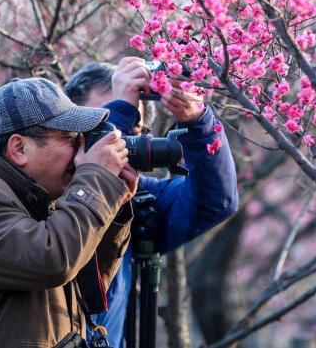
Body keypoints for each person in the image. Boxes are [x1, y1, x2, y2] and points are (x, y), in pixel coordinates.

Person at [0, 77, 139, 347]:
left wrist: (112, 204)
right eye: (70, 138)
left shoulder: (34, 194)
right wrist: (96, 180)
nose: (81, 150)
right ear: (19, 148)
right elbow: (54, 262)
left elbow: (86, 283)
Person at [65, 57, 239, 347]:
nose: (119, 145)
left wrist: (199, 123)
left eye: (130, 133)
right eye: (104, 126)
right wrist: (121, 112)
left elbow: (215, 201)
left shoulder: (139, 201)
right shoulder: (37, 195)